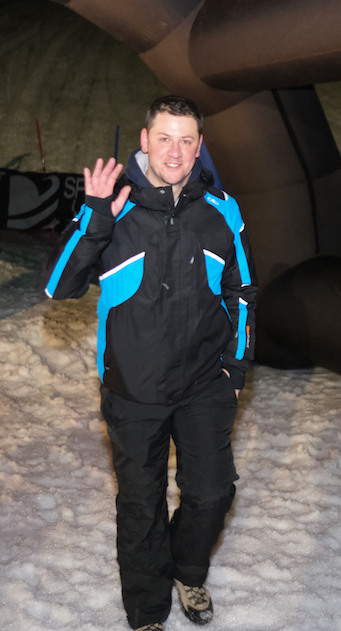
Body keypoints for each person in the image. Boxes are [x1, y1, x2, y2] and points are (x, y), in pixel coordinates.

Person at [43, 95, 256, 630]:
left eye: (186, 140)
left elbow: (243, 293)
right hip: (133, 386)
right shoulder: (114, 206)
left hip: (204, 381)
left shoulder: (221, 209)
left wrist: (235, 370)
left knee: (212, 492)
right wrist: (93, 217)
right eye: (164, 138)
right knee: (141, 505)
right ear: (144, 140)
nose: (175, 152)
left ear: (199, 146)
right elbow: (59, 285)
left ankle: (188, 569)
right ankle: (146, 610)